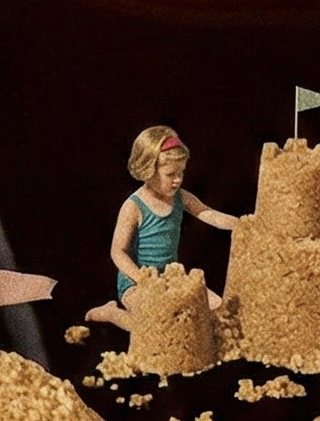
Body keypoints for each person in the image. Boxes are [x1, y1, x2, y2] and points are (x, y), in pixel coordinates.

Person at [85, 125, 237, 331]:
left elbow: (206, 212)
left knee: (219, 310)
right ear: (148, 170)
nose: (178, 180)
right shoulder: (133, 207)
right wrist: (142, 280)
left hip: (170, 278)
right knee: (152, 326)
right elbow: (117, 252)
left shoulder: (180, 197)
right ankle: (110, 312)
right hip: (136, 283)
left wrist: (240, 223)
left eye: (181, 172)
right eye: (170, 174)